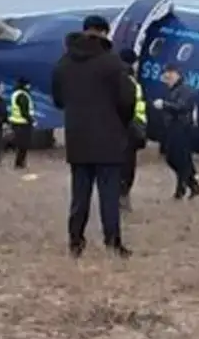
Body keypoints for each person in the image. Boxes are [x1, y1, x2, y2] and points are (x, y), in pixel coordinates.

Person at [51, 15, 136, 258]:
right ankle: (113, 242)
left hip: (77, 138)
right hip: (109, 139)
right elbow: (127, 99)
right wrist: (122, 122)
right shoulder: (112, 63)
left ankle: (75, 242)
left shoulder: (64, 63)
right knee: (109, 196)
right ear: (104, 33)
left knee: (80, 195)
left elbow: (58, 100)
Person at [155, 65, 199, 199]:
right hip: (174, 127)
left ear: (176, 74)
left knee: (178, 159)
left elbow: (182, 107)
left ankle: (187, 186)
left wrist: (164, 105)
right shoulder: (176, 90)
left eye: (169, 76)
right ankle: (190, 185)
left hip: (182, 128)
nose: (167, 80)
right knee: (176, 159)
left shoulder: (186, 90)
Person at [119, 49, 148, 213]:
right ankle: (122, 196)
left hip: (121, 129)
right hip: (130, 129)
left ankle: (117, 196)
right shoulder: (131, 83)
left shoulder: (114, 79)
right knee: (127, 166)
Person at [6, 78, 33, 170]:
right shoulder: (23, 95)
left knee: (21, 144)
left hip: (16, 121)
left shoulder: (15, 94)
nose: (30, 86)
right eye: (28, 85)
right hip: (23, 123)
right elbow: (24, 111)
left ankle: (20, 162)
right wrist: (31, 120)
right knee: (23, 144)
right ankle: (19, 163)